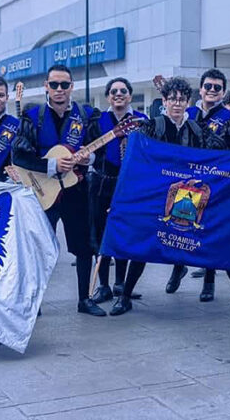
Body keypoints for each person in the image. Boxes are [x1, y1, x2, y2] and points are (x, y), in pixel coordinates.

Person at [109, 78, 230, 321]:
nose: (177, 103)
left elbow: (216, 160)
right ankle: (124, 296)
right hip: (157, 198)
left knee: (222, 242)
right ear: (164, 101)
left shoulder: (198, 130)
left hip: (192, 198)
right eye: (172, 99)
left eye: (181, 99)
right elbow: (136, 162)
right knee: (142, 244)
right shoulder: (150, 128)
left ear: (188, 102)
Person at [12, 64, 106, 316]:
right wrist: (51, 164)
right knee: (39, 247)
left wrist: (91, 159)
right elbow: (18, 155)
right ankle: (35, 301)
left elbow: (103, 152)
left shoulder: (87, 115)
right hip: (44, 191)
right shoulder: (32, 115)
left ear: (72, 87)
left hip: (77, 191)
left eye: (65, 84)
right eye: (54, 84)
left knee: (84, 246)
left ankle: (84, 300)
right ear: (46, 86)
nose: (59, 89)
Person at [167, 69, 230, 302]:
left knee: (207, 229)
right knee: (180, 224)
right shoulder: (188, 113)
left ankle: (209, 281)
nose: (212, 91)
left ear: (222, 91)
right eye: (208, 86)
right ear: (200, 89)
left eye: (217, 87)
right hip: (186, 181)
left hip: (216, 184)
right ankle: (177, 267)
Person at [88, 78, 148, 304]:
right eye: (114, 91)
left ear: (130, 96)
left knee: (125, 233)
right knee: (101, 233)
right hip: (102, 184)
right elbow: (90, 150)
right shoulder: (98, 120)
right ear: (107, 97)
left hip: (131, 186)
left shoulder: (143, 121)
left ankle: (120, 283)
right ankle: (103, 285)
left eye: (123, 91)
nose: (118, 94)